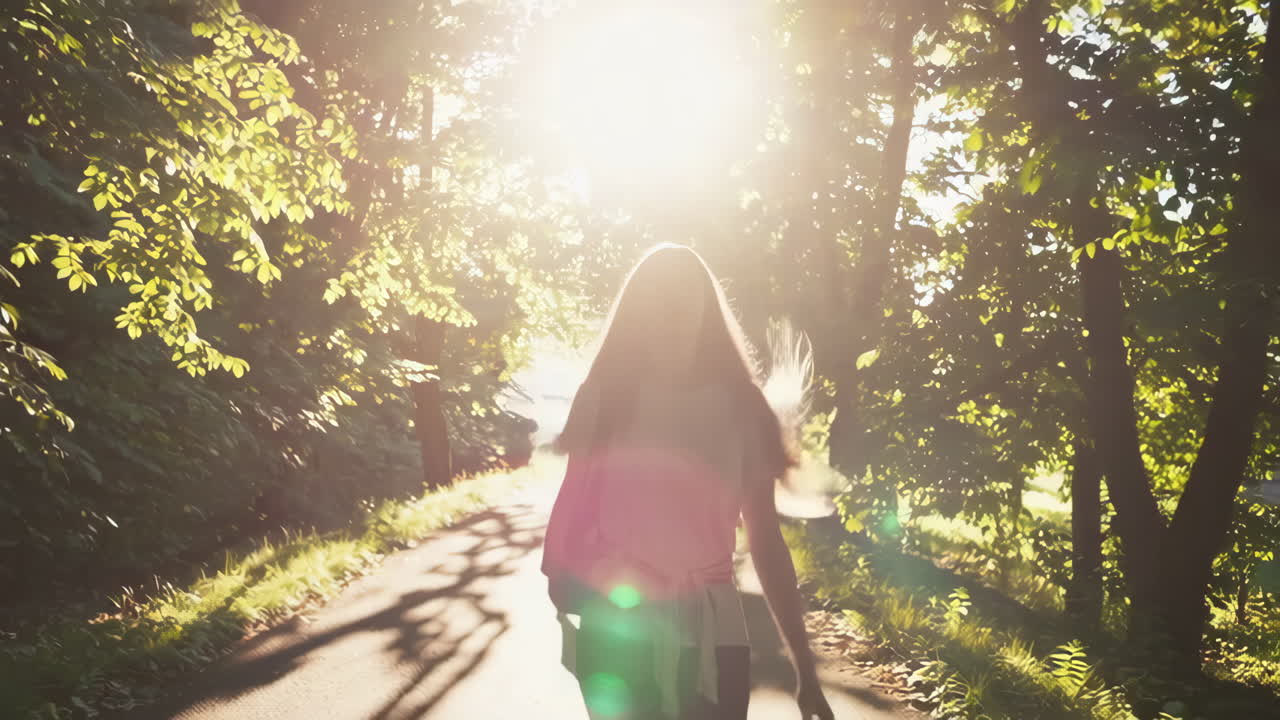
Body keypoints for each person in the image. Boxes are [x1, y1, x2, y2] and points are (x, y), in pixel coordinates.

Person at [541, 243, 836, 720]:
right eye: (659, 297)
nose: (672, 310)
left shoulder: (743, 406)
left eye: (684, 297)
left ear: (706, 308)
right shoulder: (602, 399)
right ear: (638, 310)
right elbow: (572, 519)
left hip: (713, 634)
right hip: (618, 631)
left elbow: (766, 538)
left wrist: (806, 668)